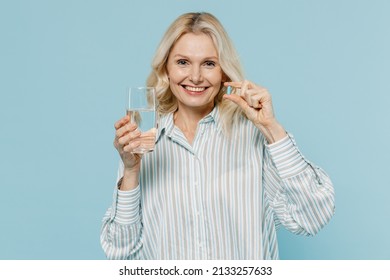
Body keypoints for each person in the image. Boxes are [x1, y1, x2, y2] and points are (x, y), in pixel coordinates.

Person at [100, 12, 335, 260]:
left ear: (223, 72)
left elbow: (312, 218)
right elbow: (120, 253)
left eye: (209, 63)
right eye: (182, 62)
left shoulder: (252, 137)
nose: (195, 76)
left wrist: (271, 128)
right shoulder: (143, 144)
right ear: (166, 69)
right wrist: (131, 170)